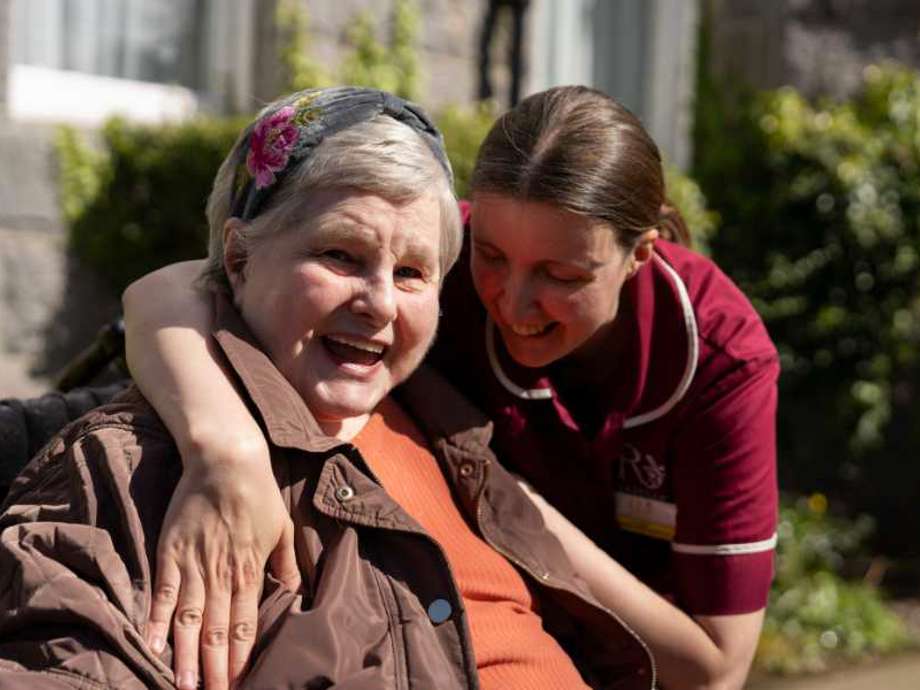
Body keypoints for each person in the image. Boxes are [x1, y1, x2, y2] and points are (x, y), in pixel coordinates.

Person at [123, 86, 779, 690]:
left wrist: (503, 501)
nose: (514, 304)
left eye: (563, 275)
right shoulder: (425, 261)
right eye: (490, 256)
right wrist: (226, 450)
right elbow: (174, 288)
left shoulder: (720, 361)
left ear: (640, 254)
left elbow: (717, 666)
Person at [0, 87, 654, 690]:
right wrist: (225, 450)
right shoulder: (138, 469)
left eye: (411, 272)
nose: (380, 304)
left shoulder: (446, 423)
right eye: (341, 255)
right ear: (237, 258)